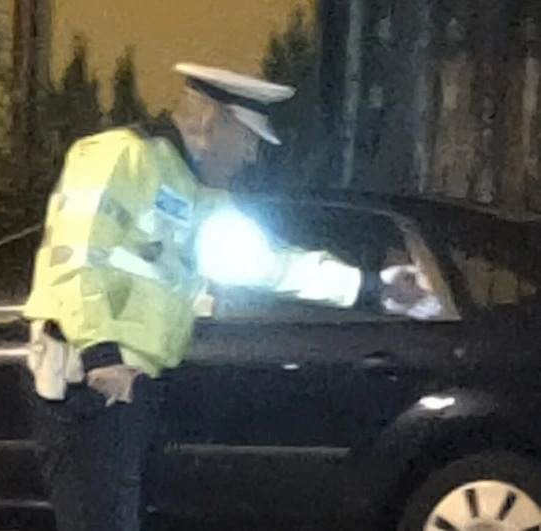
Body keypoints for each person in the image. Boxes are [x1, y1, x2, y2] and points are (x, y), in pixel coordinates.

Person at [22, 61, 435, 531]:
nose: (253, 156)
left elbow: (268, 265)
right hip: (89, 379)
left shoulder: (201, 196)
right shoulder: (119, 156)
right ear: (210, 121)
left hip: (133, 385)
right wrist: (101, 356)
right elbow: (75, 257)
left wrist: (372, 287)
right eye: (249, 138)